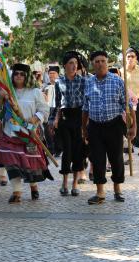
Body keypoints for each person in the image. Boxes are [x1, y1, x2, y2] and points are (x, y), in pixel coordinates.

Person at [83, 51, 136, 205]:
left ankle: (117, 189)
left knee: (116, 159)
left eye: (103, 61)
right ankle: (100, 193)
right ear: (93, 64)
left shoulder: (117, 81)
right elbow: (85, 108)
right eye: (97, 61)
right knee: (98, 159)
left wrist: (133, 126)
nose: (100, 64)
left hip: (114, 125)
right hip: (95, 125)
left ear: (107, 63)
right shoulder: (89, 82)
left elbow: (129, 105)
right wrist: (84, 128)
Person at [0, 63, 51, 203]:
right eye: (16, 74)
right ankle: (17, 192)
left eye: (22, 74)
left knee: (30, 163)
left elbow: (44, 110)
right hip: (10, 132)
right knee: (11, 161)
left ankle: (33, 186)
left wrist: (35, 118)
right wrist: (1, 98)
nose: (18, 76)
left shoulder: (35, 92)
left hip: (29, 133)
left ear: (27, 77)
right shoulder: (7, 92)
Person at [53, 51, 86, 196]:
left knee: (78, 150)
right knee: (67, 150)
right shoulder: (59, 82)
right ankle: (64, 183)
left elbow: (87, 103)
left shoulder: (83, 81)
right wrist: (53, 120)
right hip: (65, 118)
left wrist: (87, 122)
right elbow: (56, 103)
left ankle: (75, 184)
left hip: (79, 117)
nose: (74, 66)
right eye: (71, 63)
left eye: (76, 63)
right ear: (65, 65)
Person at [43, 66, 60, 156]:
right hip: (48, 109)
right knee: (47, 129)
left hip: (58, 109)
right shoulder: (46, 86)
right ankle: (51, 149)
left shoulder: (61, 85)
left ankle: (57, 149)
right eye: (50, 73)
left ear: (58, 74)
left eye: (53, 73)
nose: (51, 75)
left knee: (55, 129)